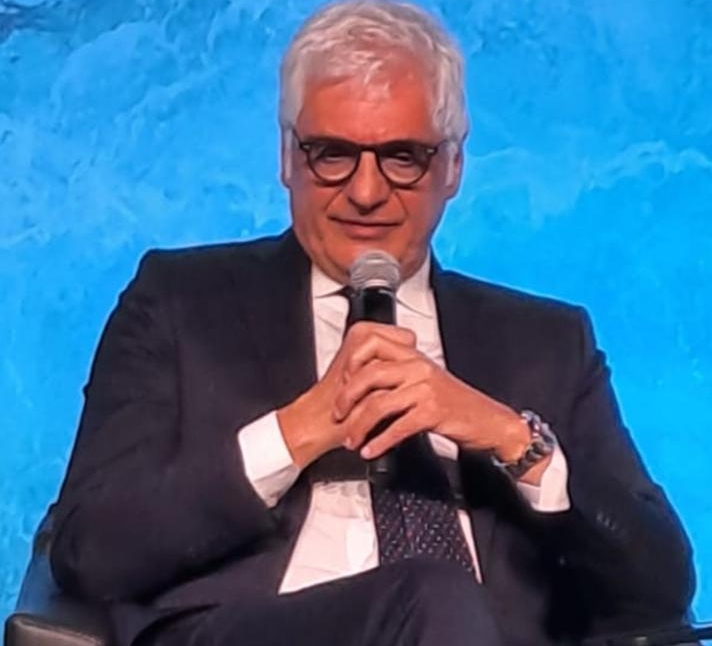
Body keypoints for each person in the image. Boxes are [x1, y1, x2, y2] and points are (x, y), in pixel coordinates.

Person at [49, 2, 695, 645]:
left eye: (403, 157)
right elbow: (90, 548)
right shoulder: (179, 302)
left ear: (453, 167)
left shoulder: (547, 343)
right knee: (434, 595)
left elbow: (661, 587)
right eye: (332, 154)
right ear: (287, 158)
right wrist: (299, 431)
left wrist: (507, 437)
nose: (365, 192)